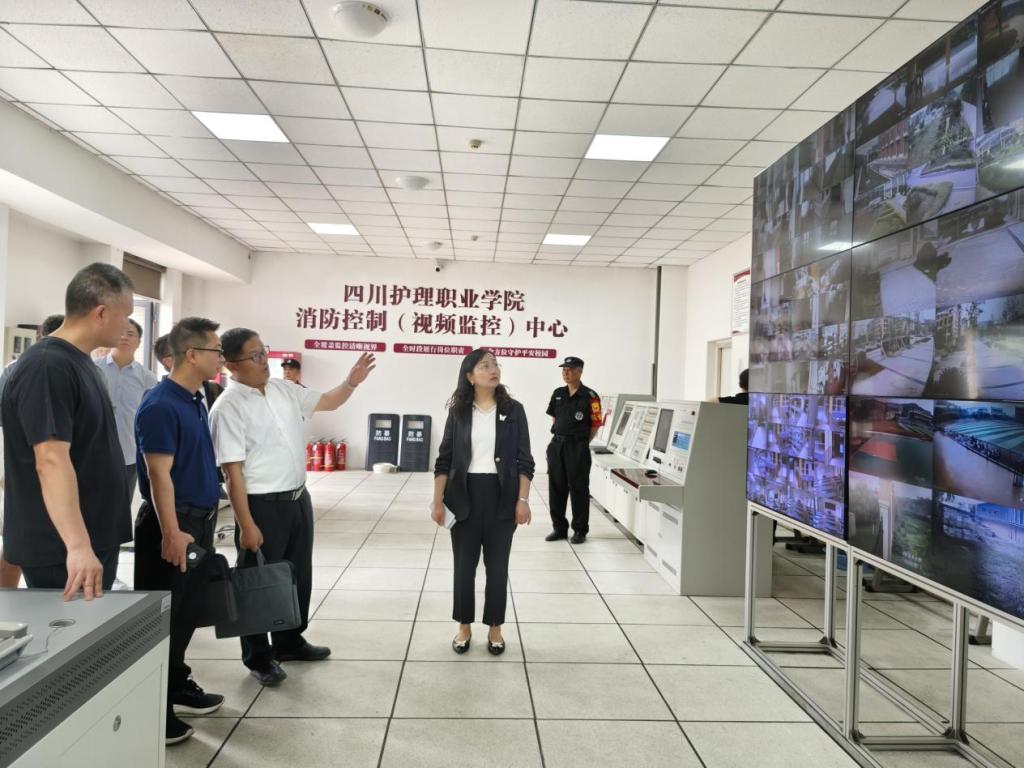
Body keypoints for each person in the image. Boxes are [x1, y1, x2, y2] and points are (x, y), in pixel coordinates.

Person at [210, 328, 375, 686]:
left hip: (298, 498)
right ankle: (258, 657)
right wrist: (246, 524)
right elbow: (232, 474)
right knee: (257, 581)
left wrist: (351, 382)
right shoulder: (228, 407)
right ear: (231, 365)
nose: (264, 361)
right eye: (255, 356)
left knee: (297, 574)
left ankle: (289, 641)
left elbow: (328, 401)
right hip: (260, 506)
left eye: (264, 352)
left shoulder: (283, 389)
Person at [1, 263, 134, 600]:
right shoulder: (48, 365)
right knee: (74, 632)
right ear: (101, 313)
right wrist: (78, 545)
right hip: (60, 547)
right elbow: (50, 460)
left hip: (93, 535)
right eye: (126, 316)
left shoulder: (80, 362)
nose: (128, 327)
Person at [133, 317, 225, 746]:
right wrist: (171, 533)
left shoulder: (195, 399)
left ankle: (176, 685)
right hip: (173, 524)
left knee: (187, 613)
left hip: (198, 521)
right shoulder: (160, 405)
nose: (221, 358)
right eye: (216, 351)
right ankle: (154, 709)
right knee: (164, 621)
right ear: (191, 354)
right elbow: (158, 476)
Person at [432, 349, 534, 655]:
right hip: (463, 496)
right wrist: (437, 500)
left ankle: (495, 627)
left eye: (495, 365)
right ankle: (464, 625)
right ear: (469, 376)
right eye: (485, 366)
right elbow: (444, 459)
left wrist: (523, 499)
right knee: (464, 567)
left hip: (502, 496)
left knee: (497, 567)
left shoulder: (514, 410)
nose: (493, 370)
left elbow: (525, 460)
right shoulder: (459, 412)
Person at [0, 313, 64, 589]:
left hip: (61, 466)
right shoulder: (13, 371)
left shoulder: (85, 369)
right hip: (24, 467)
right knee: (18, 539)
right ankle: (7, 597)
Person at [96, 318, 158, 504]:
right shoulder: (93, 369)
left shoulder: (147, 377)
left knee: (122, 505)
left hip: (129, 452)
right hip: (95, 451)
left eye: (130, 334)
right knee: (92, 505)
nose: (124, 337)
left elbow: (150, 418)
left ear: (139, 342)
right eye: (121, 332)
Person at [544, 356, 601, 545]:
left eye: (569, 369)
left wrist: (581, 442)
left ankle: (580, 530)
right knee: (556, 487)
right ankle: (559, 528)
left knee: (578, 489)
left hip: (577, 448)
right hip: (557, 446)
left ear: (580, 371)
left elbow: (595, 424)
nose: (565, 372)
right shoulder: (558, 393)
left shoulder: (590, 396)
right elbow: (555, 418)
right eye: (563, 369)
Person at [156, 333, 224, 411]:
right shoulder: (159, 401)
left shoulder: (215, 390)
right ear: (168, 362)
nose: (222, 359)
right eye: (181, 354)